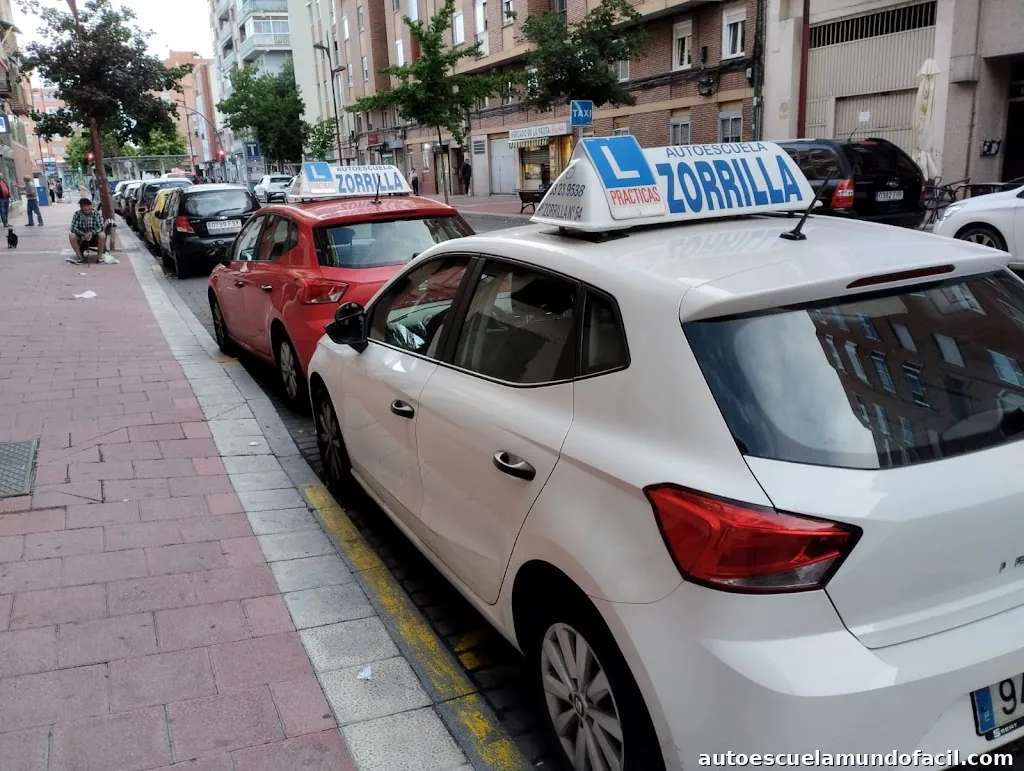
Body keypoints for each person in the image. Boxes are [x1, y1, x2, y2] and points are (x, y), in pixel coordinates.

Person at [68, 197, 105, 264]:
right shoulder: (77, 214)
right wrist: (83, 234)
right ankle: (80, 257)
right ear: (81, 207)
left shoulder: (96, 214)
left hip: (94, 237)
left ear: (91, 206)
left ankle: (99, 258)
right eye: (84, 206)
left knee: (102, 235)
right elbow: (73, 228)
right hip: (81, 237)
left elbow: (101, 227)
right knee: (71, 235)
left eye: (88, 206)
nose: (87, 208)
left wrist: (92, 233)